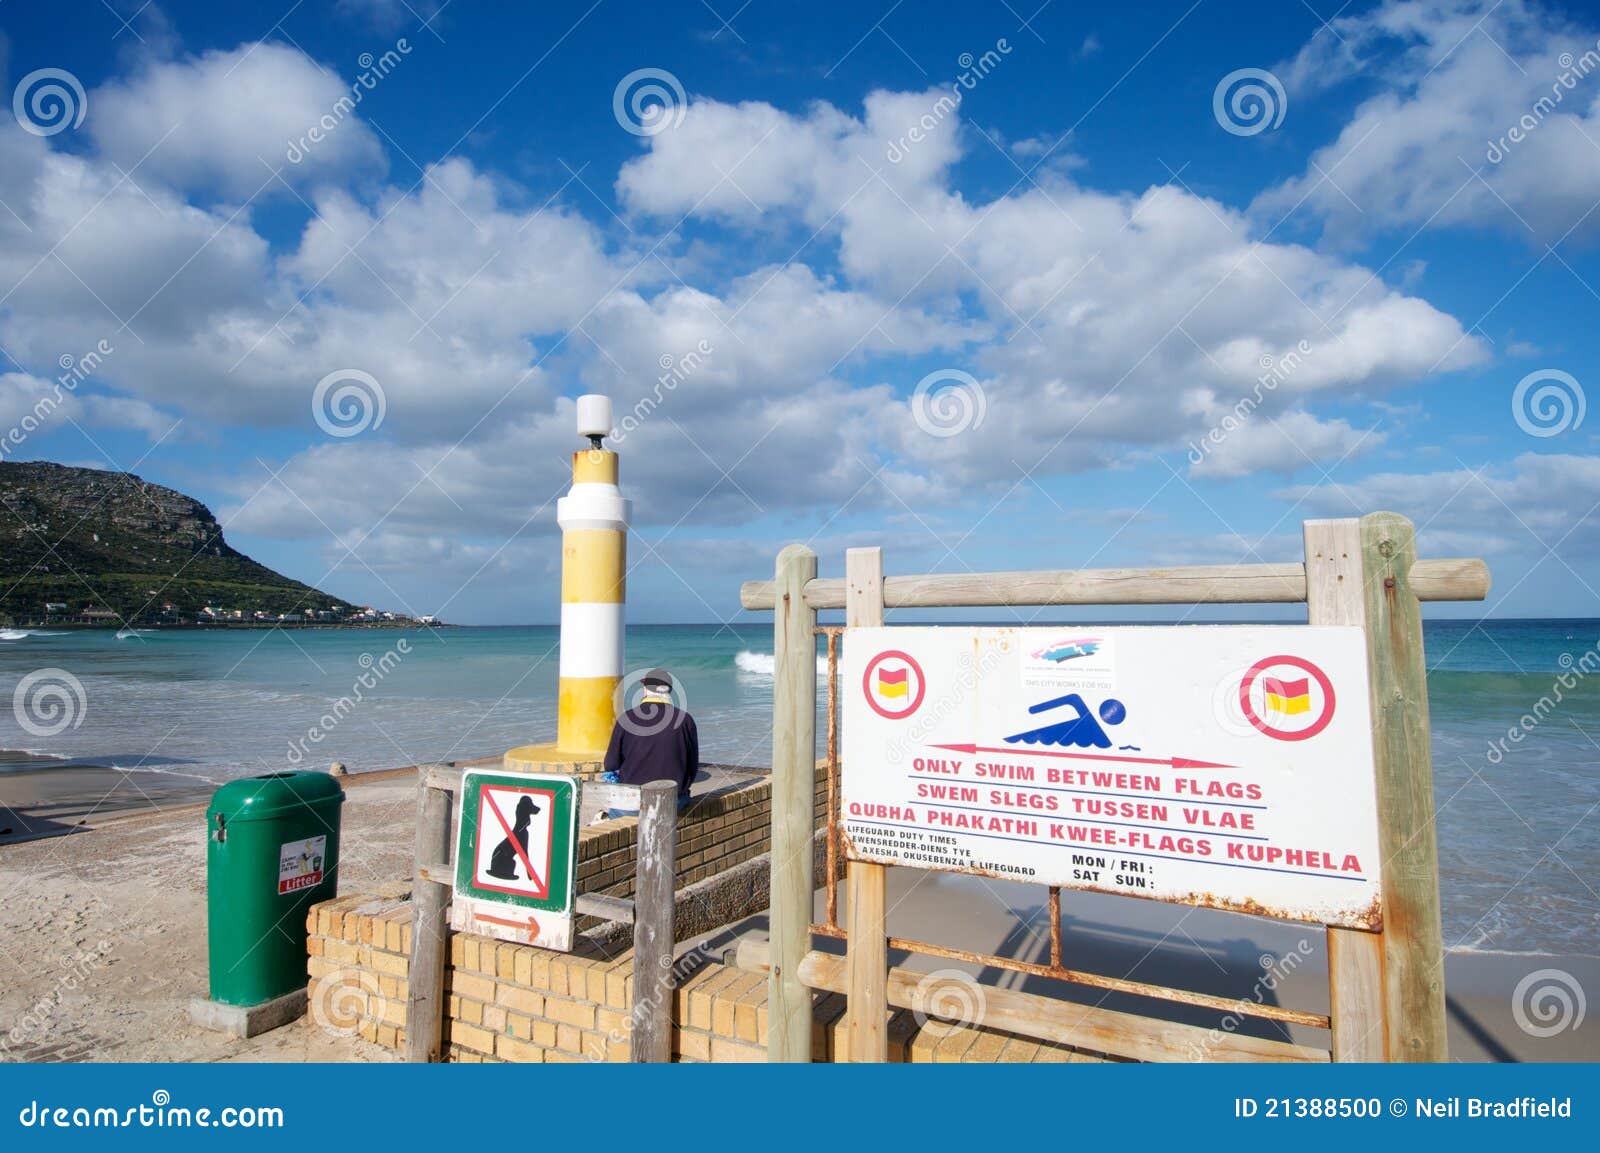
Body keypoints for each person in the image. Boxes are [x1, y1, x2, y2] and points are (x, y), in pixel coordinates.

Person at [598, 669, 698, 819]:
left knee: (612, 811)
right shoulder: (685, 720)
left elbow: (611, 764)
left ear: (645, 690)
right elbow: (692, 767)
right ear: (668, 691)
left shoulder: (627, 718)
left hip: (633, 803)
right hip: (673, 802)